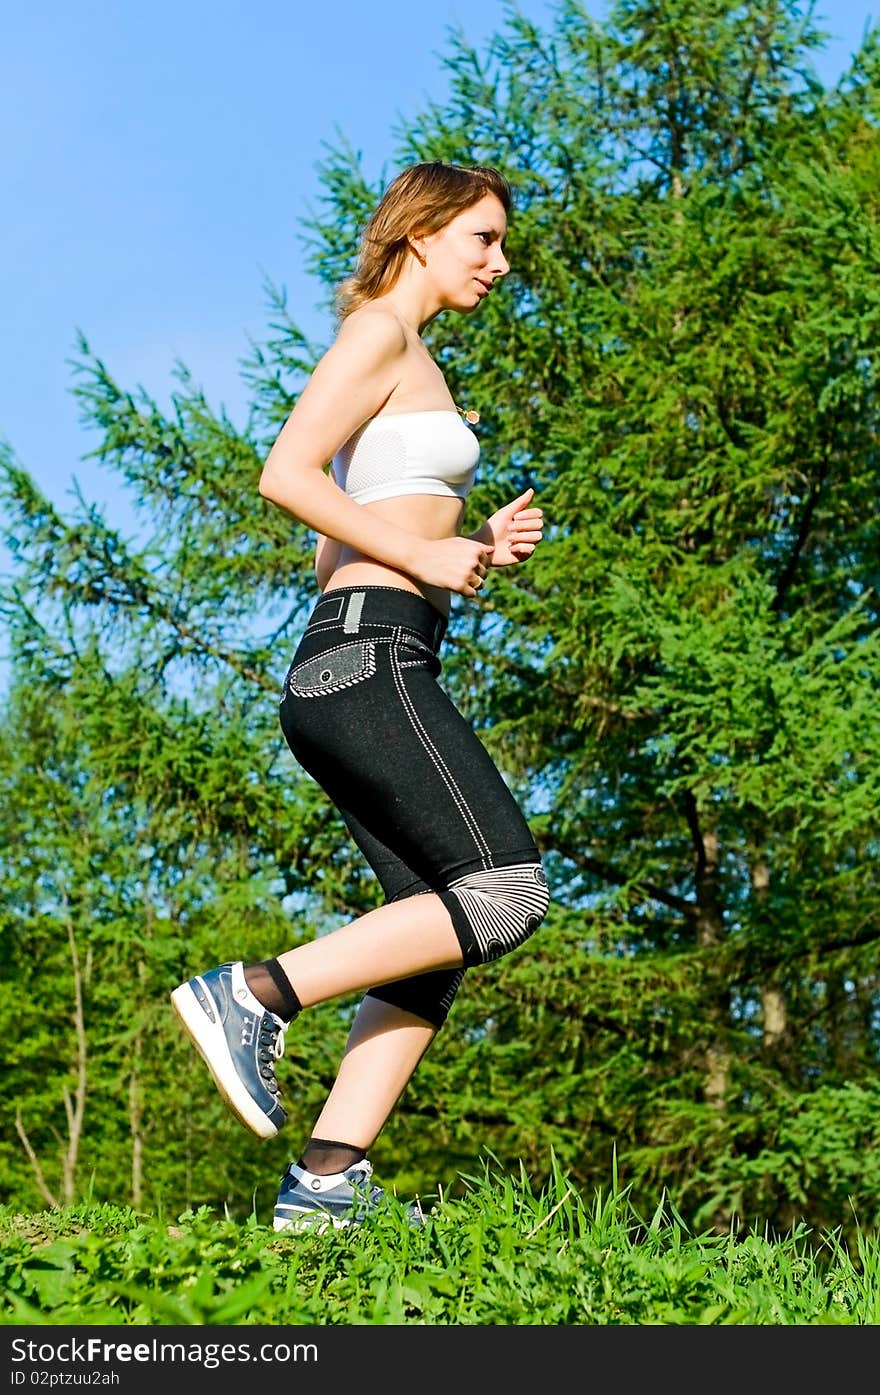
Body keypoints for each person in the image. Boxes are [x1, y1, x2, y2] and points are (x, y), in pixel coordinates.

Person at [171, 160, 549, 1230]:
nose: (499, 261)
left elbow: (351, 526)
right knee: (506, 891)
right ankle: (252, 993)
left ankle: (326, 1184)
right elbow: (286, 474)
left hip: (363, 659)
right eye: (483, 238)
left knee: (440, 929)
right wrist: (429, 565)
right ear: (423, 234)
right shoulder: (380, 333)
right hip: (364, 661)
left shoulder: (410, 355)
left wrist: (473, 549)